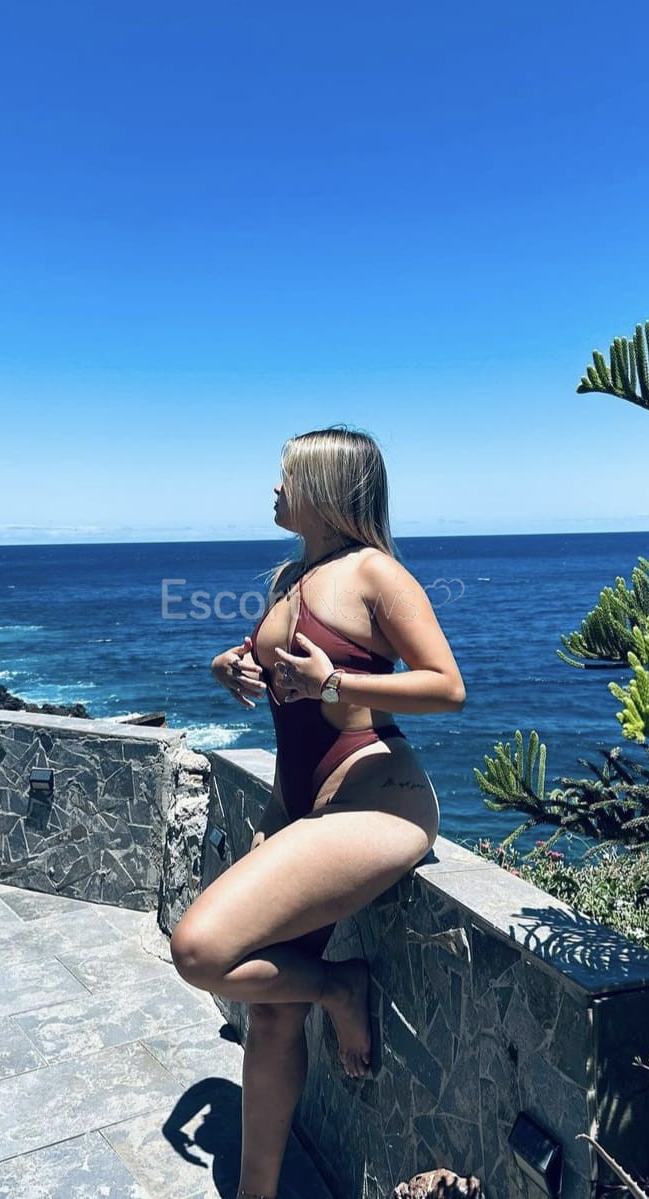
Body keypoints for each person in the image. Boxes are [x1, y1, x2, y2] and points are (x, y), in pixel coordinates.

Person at [170, 427, 466, 1199]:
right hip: (295, 802)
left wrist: (338, 684)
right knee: (272, 1015)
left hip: (375, 794)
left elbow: (446, 686)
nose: (275, 488)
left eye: (287, 476)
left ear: (326, 490)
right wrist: (229, 664)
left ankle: (340, 987)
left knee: (199, 949)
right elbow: (276, 666)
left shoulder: (376, 573)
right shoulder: (292, 577)